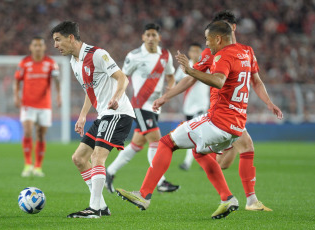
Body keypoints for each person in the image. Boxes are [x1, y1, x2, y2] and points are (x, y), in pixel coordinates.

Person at [116, 21, 283, 219]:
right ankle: (227, 198)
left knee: (166, 143)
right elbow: (255, 80)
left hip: (217, 121)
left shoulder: (222, 55)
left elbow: (219, 81)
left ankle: (144, 195)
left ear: (218, 38)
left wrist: (190, 69)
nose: (207, 43)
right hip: (236, 125)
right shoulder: (245, 53)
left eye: (208, 39)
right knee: (199, 152)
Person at [51, 21, 135, 219]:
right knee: (79, 159)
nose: (55, 45)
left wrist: (116, 97)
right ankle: (102, 207)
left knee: (97, 157)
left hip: (118, 113)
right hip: (104, 115)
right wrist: (82, 115)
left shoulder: (97, 54)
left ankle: (94, 208)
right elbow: (91, 89)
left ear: (71, 37)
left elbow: (123, 78)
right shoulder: (74, 62)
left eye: (58, 40)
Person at [203, 10, 283, 211]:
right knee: (246, 145)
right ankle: (249, 200)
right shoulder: (212, 51)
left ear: (233, 27)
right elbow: (195, 74)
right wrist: (169, 94)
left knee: (225, 162)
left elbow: (256, 81)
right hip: (222, 111)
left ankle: (210, 159)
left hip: (237, 112)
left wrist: (268, 102)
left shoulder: (247, 51)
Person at [105, 23, 179, 193]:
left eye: (154, 35)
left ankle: (110, 172)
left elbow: (170, 76)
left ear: (159, 37)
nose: (151, 38)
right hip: (140, 104)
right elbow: (122, 77)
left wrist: (170, 90)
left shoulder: (165, 56)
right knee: (156, 141)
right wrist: (116, 97)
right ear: (143, 37)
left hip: (155, 106)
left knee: (137, 144)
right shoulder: (135, 56)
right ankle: (160, 181)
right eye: (148, 35)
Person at [14, 36, 61, 177]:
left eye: (40, 45)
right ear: (31, 47)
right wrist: (16, 96)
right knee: (28, 132)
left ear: (44, 47)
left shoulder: (51, 63)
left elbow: (57, 80)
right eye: (35, 45)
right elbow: (16, 81)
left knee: (41, 134)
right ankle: (28, 165)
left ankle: (38, 167)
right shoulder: (24, 63)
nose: (38, 48)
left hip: (44, 105)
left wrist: (59, 95)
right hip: (28, 104)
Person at [174, 43, 210, 171]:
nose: (195, 53)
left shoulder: (206, 65)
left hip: (201, 105)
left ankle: (187, 163)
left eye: (197, 51)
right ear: (189, 53)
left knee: (193, 133)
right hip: (188, 106)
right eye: (192, 51)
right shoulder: (184, 66)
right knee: (198, 135)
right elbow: (176, 81)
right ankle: (208, 159)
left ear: (201, 52)